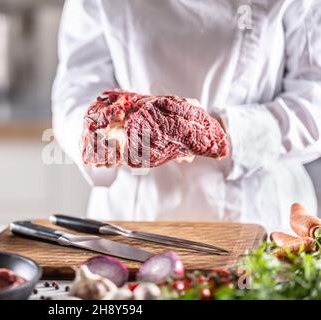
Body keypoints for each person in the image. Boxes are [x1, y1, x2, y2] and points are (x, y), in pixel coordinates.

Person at [51, 0, 321, 233]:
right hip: (136, 217)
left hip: (259, 213)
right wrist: (110, 138)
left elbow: (314, 101)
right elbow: (76, 92)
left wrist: (212, 132)